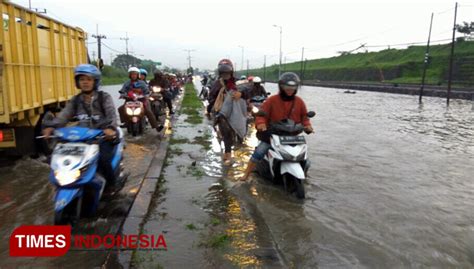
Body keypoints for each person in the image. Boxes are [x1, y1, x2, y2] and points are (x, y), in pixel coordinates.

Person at [42, 64, 120, 189]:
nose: (85, 82)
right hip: (82, 138)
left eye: (89, 79)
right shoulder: (76, 100)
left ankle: (111, 186)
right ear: (77, 82)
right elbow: (64, 115)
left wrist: (110, 129)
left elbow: (111, 115)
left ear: (95, 81)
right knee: (57, 158)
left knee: (103, 159)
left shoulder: (103, 97)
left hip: (103, 137)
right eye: (82, 79)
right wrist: (51, 127)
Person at [240, 72, 314, 181]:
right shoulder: (272, 100)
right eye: (287, 87)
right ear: (281, 87)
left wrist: (308, 126)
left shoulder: (299, 102)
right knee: (259, 152)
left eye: (293, 87)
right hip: (273, 135)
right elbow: (262, 114)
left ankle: (304, 174)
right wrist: (261, 123)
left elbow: (304, 117)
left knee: (305, 158)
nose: (290, 89)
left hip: (293, 137)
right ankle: (246, 175)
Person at [208, 59, 248, 165]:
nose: (226, 75)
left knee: (244, 123)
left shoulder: (238, 82)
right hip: (223, 113)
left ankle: (240, 138)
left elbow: (248, 91)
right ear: (220, 73)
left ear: (231, 72)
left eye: (227, 72)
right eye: (223, 73)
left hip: (237, 111)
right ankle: (228, 154)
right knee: (226, 132)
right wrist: (221, 101)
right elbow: (211, 98)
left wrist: (241, 94)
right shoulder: (217, 84)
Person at [118, 67, 163, 132]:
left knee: (148, 111)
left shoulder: (142, 83)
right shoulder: (127, 83)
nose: (133, 76)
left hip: (141, 100)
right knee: (121, 109)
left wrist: (146, 95)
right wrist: (123, 95)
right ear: (130, 75)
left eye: (135, 74)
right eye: (132, 74)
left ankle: (156, 127)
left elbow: (147, 91)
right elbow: (122, 91)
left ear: (137, 75)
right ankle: (126, 122)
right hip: (129, 100)